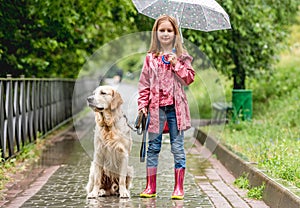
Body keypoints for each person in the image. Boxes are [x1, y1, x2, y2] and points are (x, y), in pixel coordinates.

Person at [137, 15, 195, 200]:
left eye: (169, 30)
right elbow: (144, 84)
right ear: (156, 33)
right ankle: (150, 186)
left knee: (177, 148)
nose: (165, 33)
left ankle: (179, 188)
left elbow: (189, 79)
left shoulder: (182, 57)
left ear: (175, 33)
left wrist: (176, 63)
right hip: (155, 110)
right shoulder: (150, 58)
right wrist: (142, 105)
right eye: (162, 30)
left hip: (175, 110)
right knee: (153, 148)